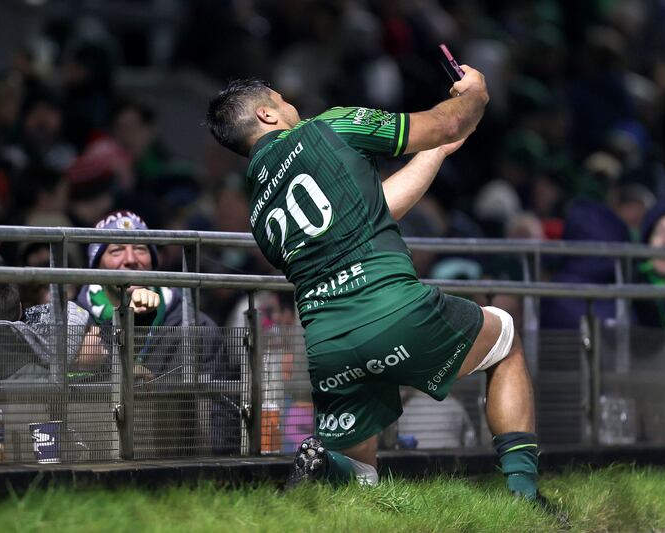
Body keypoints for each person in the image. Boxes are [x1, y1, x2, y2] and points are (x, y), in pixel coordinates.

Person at [205, 73, 549, 505]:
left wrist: (435, 153)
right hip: (393, 309)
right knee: (506, 340)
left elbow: (374, 207)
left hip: (329, 344)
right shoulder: (330, 126)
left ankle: (325, 463)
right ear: (266, 113)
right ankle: (524, 496)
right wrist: (475, 96)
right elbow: (448, 121)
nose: (293, 106)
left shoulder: (258, 209)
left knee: (361, 475)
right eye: (283, 100)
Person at [75, 210, 241, 455]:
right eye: (116, 250)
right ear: (96, 263)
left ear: (154, 260)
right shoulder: (76, 322)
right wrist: (121, 333)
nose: (131, 259)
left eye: (141, 249)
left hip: (177, 459)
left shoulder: (196, 326)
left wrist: (219, 473)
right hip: (99, 456)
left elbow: (222, 408)